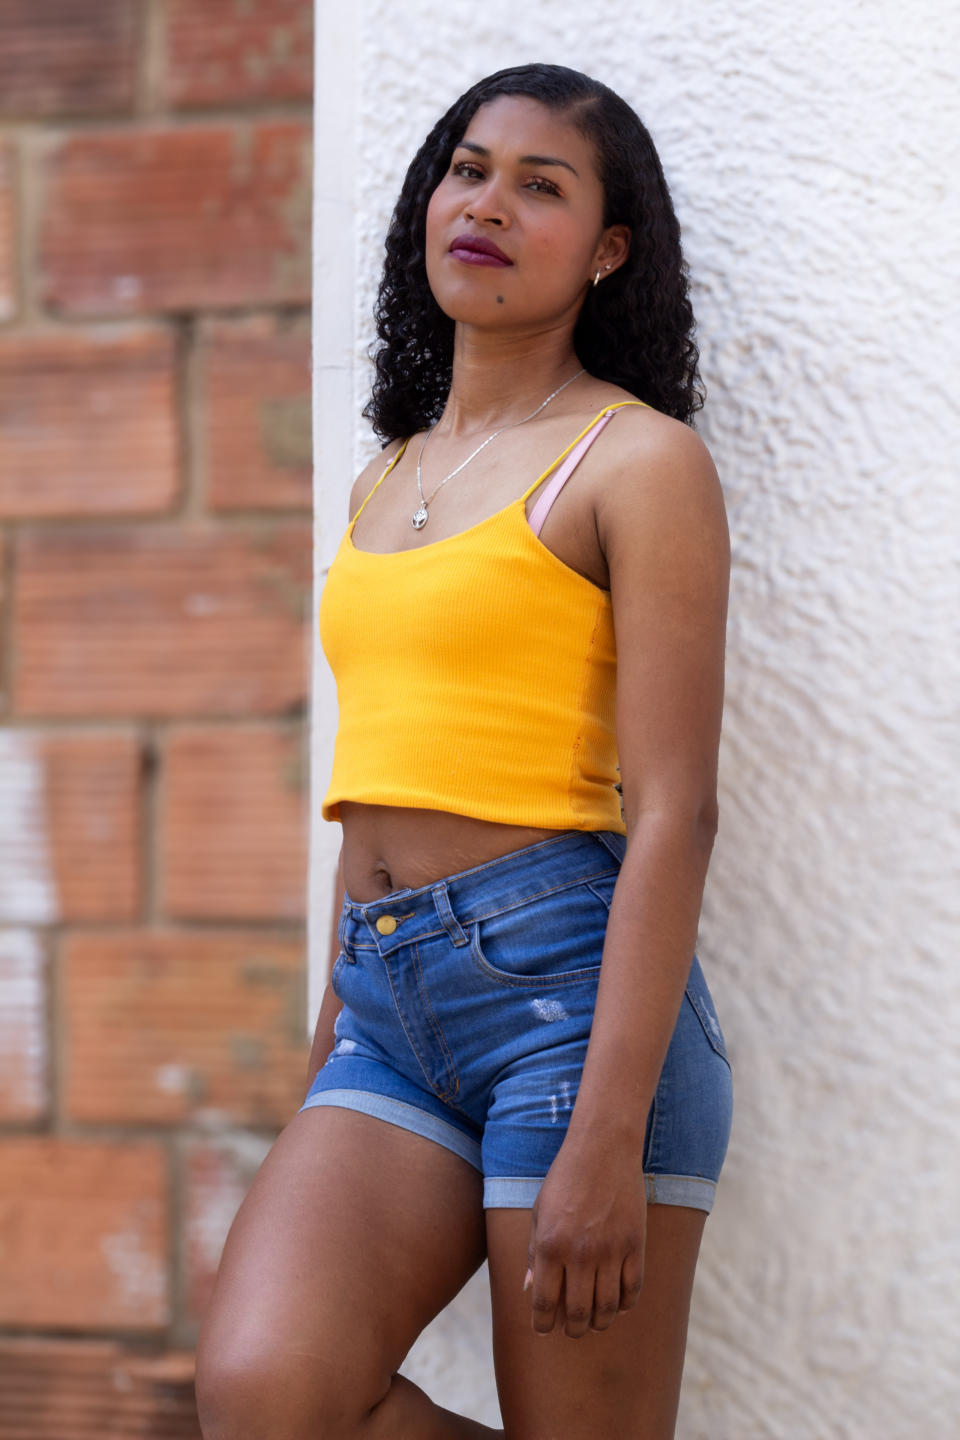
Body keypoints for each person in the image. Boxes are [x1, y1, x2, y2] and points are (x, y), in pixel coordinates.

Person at [196, 62, 733, 1440]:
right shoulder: (387, 478)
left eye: (541, 186)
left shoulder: (635, 462)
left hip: (567, 1001)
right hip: (383, 1002)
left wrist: (608, 1129)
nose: (487, 204)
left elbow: (676, 812)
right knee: (265, 1393)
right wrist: (331, 1024)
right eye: (468, 170)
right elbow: (378, 771)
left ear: (608, 249)